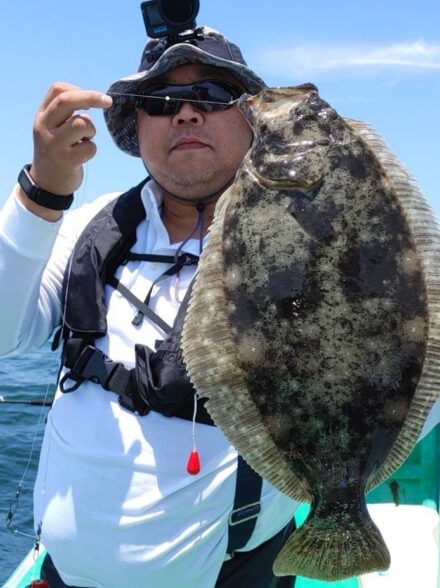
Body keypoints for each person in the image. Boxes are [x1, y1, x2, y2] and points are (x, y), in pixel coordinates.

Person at [0, 24, 299, 588]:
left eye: (210, 96)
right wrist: (43, 191)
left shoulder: (309, 238)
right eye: (160, 102)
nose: (184, 114)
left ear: (254, 120)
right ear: (136, 127)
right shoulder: (88, 227)